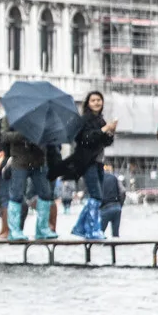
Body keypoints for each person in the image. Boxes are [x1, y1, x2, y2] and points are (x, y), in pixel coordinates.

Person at [64, 91, 117, 241]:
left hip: (98, 161)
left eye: (99, 100)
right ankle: (92, 230)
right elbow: (86, 139)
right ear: (88, 103)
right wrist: (104, 130)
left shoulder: (100, 120)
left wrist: (110, 132)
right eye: (93, 100)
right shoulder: (84, 119)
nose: (96, 103)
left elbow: (105, 142)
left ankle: (80, 227)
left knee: (97, 197)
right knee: (96, 195)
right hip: (87, 162)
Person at [1, 121, 57, 241]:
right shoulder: (12, 115)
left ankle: (42, 229)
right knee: (16, 195)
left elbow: (52, 137)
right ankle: (14, 231)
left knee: (46, 194)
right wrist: (23, 134)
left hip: (39, 160)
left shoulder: (44, 115)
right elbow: (4, 136)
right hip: (19, 161)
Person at [99, 169, 126, 237]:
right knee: (115, 235)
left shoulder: (98, 180)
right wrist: (120, 204)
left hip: (104, 208)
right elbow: (123, 191)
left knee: (99, 233)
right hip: (117, 208)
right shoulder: (114, 177)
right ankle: (114, 247)